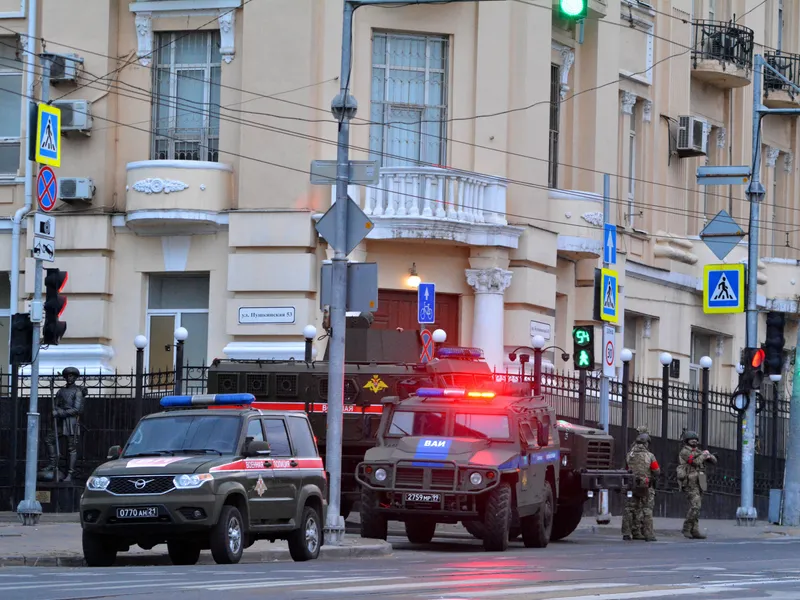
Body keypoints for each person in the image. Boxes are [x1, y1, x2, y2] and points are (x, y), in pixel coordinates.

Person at [39, 367, 86, 482]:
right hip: (60, 422)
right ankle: (52, 463)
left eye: (72, 376)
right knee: (49, 439)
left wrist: (60, 412)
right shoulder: (61, 391)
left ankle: (70, 473)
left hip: (71, 422)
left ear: (75, 378)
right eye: (68, 376)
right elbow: (56, 404)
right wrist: (55, 410)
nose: (70, 378)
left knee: (71, 448)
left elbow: (77, 410)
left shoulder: (78, 391)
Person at [677, 430, 717, 539]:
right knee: (695, 506)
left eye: (695, 439)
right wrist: (704, 456)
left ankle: (694, 530)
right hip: (690, 482)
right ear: (687, 440)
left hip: (700, 480)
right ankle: (686, 528)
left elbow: (714, 461)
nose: (694, 441)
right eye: (691, 439)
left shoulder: (698, 451)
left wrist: (709, 455)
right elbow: (695, 462)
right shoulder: (685, 452)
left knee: (697, 508)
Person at [621, 432, 660, 542]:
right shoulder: (650, 456)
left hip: (631, 485)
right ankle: (648, 534)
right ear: (647, 443)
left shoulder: (629, 454)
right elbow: (656, 471)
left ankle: (628, 533)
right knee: (647, 509)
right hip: (646, 486)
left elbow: (625, 469)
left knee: (630, 509)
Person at [621, 425, 649, 540]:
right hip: (641, 482)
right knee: (637, 507)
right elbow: (654, 468)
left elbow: (626, 465)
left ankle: (629, 532)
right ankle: (636, 531)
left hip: (630, 481)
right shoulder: (645, 451)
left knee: (630, 507)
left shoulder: (632, 450)